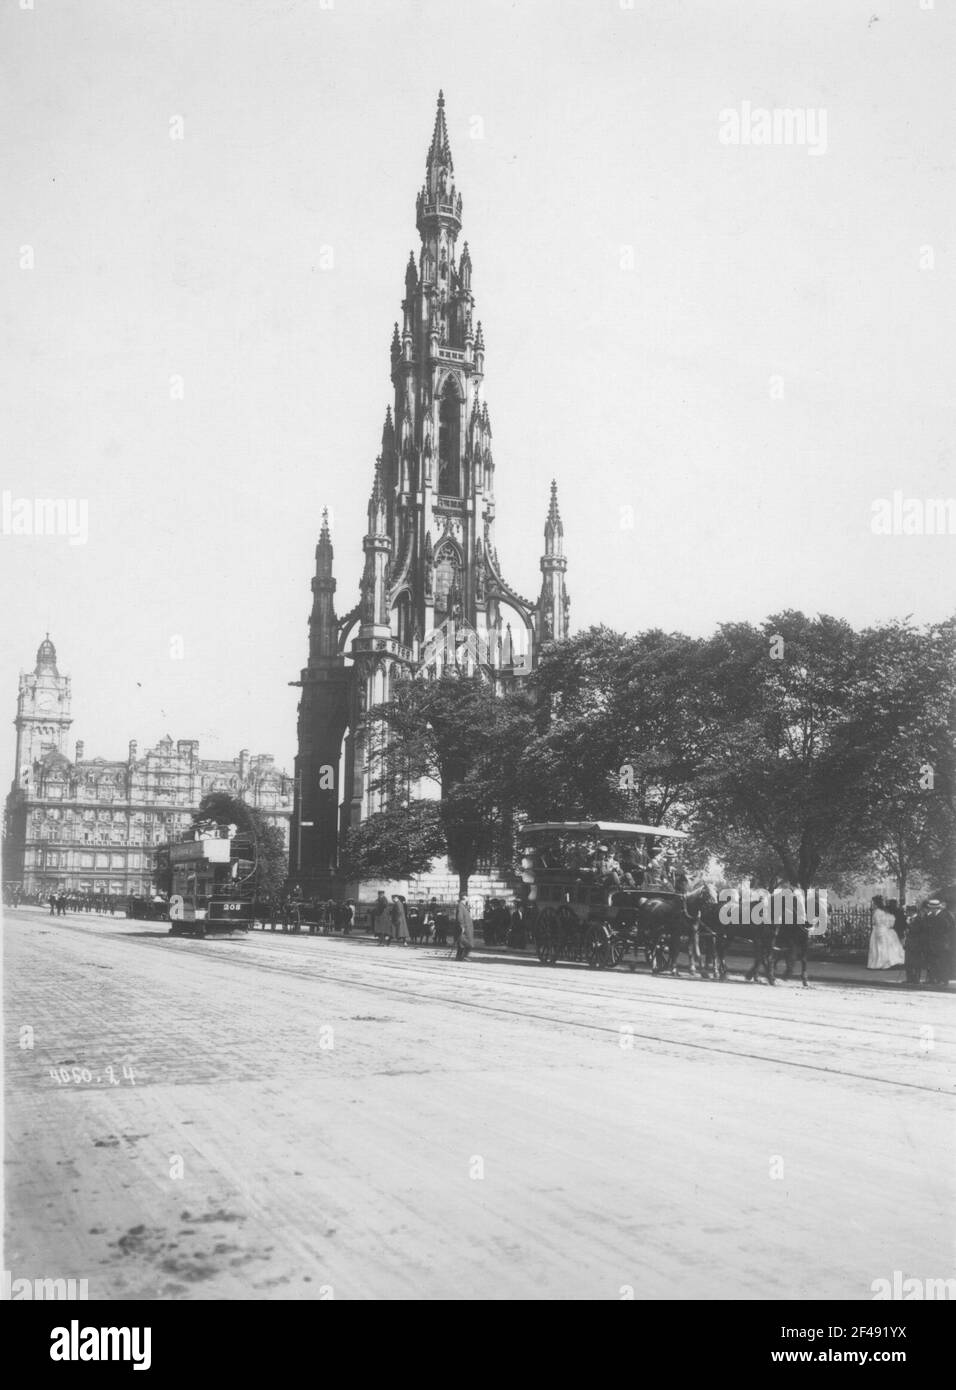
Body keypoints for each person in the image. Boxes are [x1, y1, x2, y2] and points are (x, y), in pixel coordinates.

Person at [867, 895, 905, 970]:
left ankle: (881, 963)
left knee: (880, 948)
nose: (873, 905)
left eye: (873, 903)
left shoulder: (877, 912)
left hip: (880, 930)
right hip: (888, 930)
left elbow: (877, 922)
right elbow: (892, 921)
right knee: (887, 947)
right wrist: (888, 926)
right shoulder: (886, 911)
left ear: (876, 903)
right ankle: (888, 962)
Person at [455, 895, 474, 961]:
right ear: (464, 898)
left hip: (467, 927)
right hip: (465, 928)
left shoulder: (463, 906)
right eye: (467, 897)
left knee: (462, 943)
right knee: (467, 943)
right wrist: (462, 926)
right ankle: (463, 957)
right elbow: (460, 917)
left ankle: (459, 957)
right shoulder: (460, 906)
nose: (468, 899)